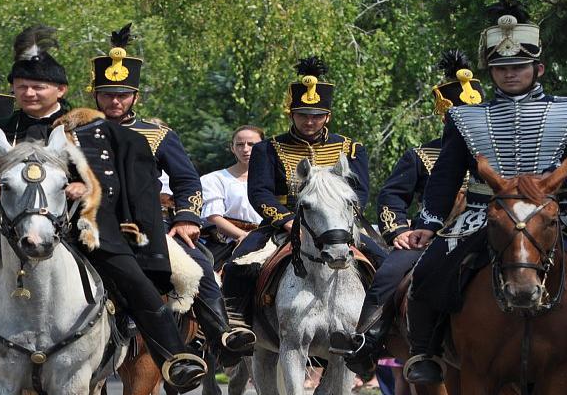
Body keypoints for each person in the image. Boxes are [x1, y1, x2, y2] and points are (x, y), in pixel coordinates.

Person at [0, 25, 208, 395]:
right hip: (6, 230)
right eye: (22, 86)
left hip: (80, 227)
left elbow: (123, 182)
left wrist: (86, 187)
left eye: (38, 87)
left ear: (61, 91)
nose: (29, 92)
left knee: (135, 281)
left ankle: (175, 357)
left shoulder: (90, 128)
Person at [401, 0, 567, 384]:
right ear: (491, 72)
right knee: (430, 269)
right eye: (501, 68)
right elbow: (445, 174)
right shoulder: (464, 117)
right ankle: (425, 352)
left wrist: (558, 181)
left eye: (518, 67)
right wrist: (429, 222)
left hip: (560, 211)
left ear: (537, 68)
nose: (510, 74)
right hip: (486, 212)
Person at [89, 23, 255, 363]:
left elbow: (186, 180)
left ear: (134, 95)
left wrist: (185, 219)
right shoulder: (77, 129)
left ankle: (220, 332)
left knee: (200, 264)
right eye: (107, 93)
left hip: (145, 228)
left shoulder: (157, 134)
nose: (115, 100)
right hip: (86, 226)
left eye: (122, 94)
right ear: (95, 94)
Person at [341, 50, 484, 377]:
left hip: (490, 228)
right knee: (389, 274)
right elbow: (392, 196)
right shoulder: (421, 155)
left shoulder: (500, 149)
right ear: (444, 117)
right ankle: (369, 340)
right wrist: (399, 232)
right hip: (433, 236)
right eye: (459, 115)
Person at [221, 55, 381, 323]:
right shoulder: (267, 149)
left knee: (386, 265)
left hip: (338, 227)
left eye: (317, 116)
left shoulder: (351, 149)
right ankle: (239, 327)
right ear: (291, 114)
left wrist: (340, 221)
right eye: (303, 115)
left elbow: (359, 192)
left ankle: (374, 333)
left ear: (327, 116)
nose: (310, 121)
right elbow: (259, 192)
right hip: (282, 225)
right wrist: (287, 220)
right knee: (240, 263)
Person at [200, 125, 264, 260]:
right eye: (240, 144)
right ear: (232, 148)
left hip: (268, 238)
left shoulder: (272, 180)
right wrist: (245, 237)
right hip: (227, 243)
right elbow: (214, 217)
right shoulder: (214, 179)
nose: (245, 149)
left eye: (251, 144)